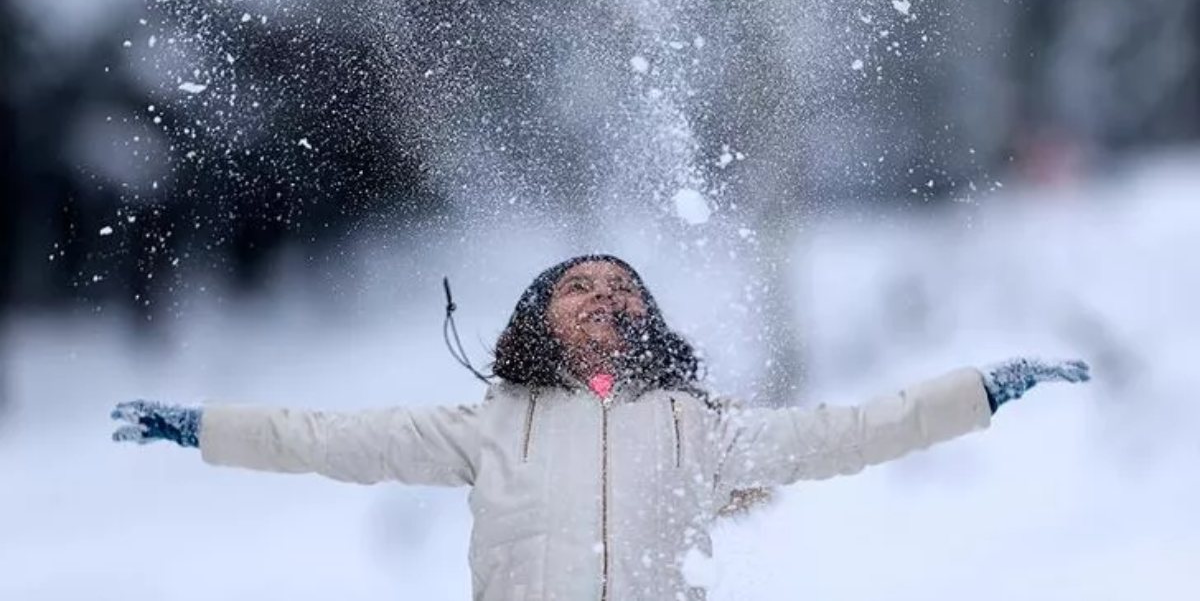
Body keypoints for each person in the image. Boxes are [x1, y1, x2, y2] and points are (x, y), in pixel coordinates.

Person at [110, 254, 1090, 601]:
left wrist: (982, 391)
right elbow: (323, 436)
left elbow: (854, 431)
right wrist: (200, 427)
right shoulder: (488, 425)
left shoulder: (699, 429)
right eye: (580, 285)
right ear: (539, 317)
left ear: (648, 320)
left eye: (623, 288)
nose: (603, 297)